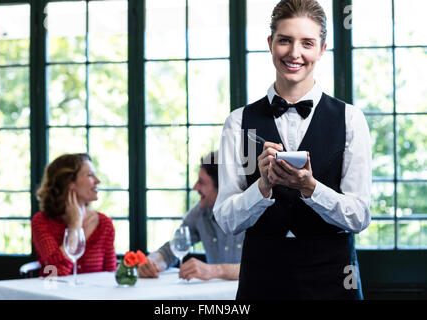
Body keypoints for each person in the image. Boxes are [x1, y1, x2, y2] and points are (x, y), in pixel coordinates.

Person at [214, 0, 372, 300]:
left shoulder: (351, 119)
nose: (294, 53)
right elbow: (225, 219)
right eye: (284, 40)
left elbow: (359, 216)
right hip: (260, 278)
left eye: (307, 43)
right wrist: (262, 187)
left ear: (322, 49)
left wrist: (311, 189)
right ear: (270, 43)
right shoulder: (238, 123)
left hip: (334, 279)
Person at [138, 151, 244, 281]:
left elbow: (264, 267)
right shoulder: (200, 212)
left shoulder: (254, 211)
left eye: (202, 182)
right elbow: (173, 249)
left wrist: (215, 270)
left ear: (223, 187)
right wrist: (151, 263)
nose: (195, 187)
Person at [32, 153, 117, 277]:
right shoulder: (42, 221)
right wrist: (75, 225)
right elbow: (56, 273)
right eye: (90, 175)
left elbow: (110, 275)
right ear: (69, 183)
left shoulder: (104, 223)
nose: (98, 180)